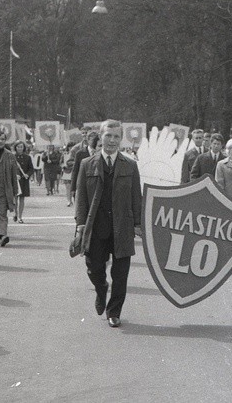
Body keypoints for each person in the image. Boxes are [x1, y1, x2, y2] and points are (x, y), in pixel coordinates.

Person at [74, 119, 142, 328]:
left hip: (122, 227)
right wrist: (80, 224)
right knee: (94, 268)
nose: (112, 141)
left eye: (116, 136)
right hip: (96, 227)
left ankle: (114, 311)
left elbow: (135, 197)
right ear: (100, 137)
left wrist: (138, 224)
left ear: (121, 139)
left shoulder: (130, 165)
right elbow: (81, 197)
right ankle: (101, 288)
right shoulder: (88, 164)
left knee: (121, 273)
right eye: (108, 136)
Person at [70, 131, 98, 200]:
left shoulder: (100, 152)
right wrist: (73, 188)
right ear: (88, 140)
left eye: (96, 140)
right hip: (83, 184)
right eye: (92, 140)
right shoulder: (80, 153)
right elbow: (75, 171)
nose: (94, 142)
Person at [12, 141, 33, 223]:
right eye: (18, 147)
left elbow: (31, 168)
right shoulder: (12, 157)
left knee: (22, 198)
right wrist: (14, 175)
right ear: (15, 148)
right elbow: (9, 168)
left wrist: (27, 174)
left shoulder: (27, 157)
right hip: (15, 180)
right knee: (15, 198)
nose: (20, 148)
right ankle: (15, 213)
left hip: (24, 180)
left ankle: (20, 216)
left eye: (21, 147)